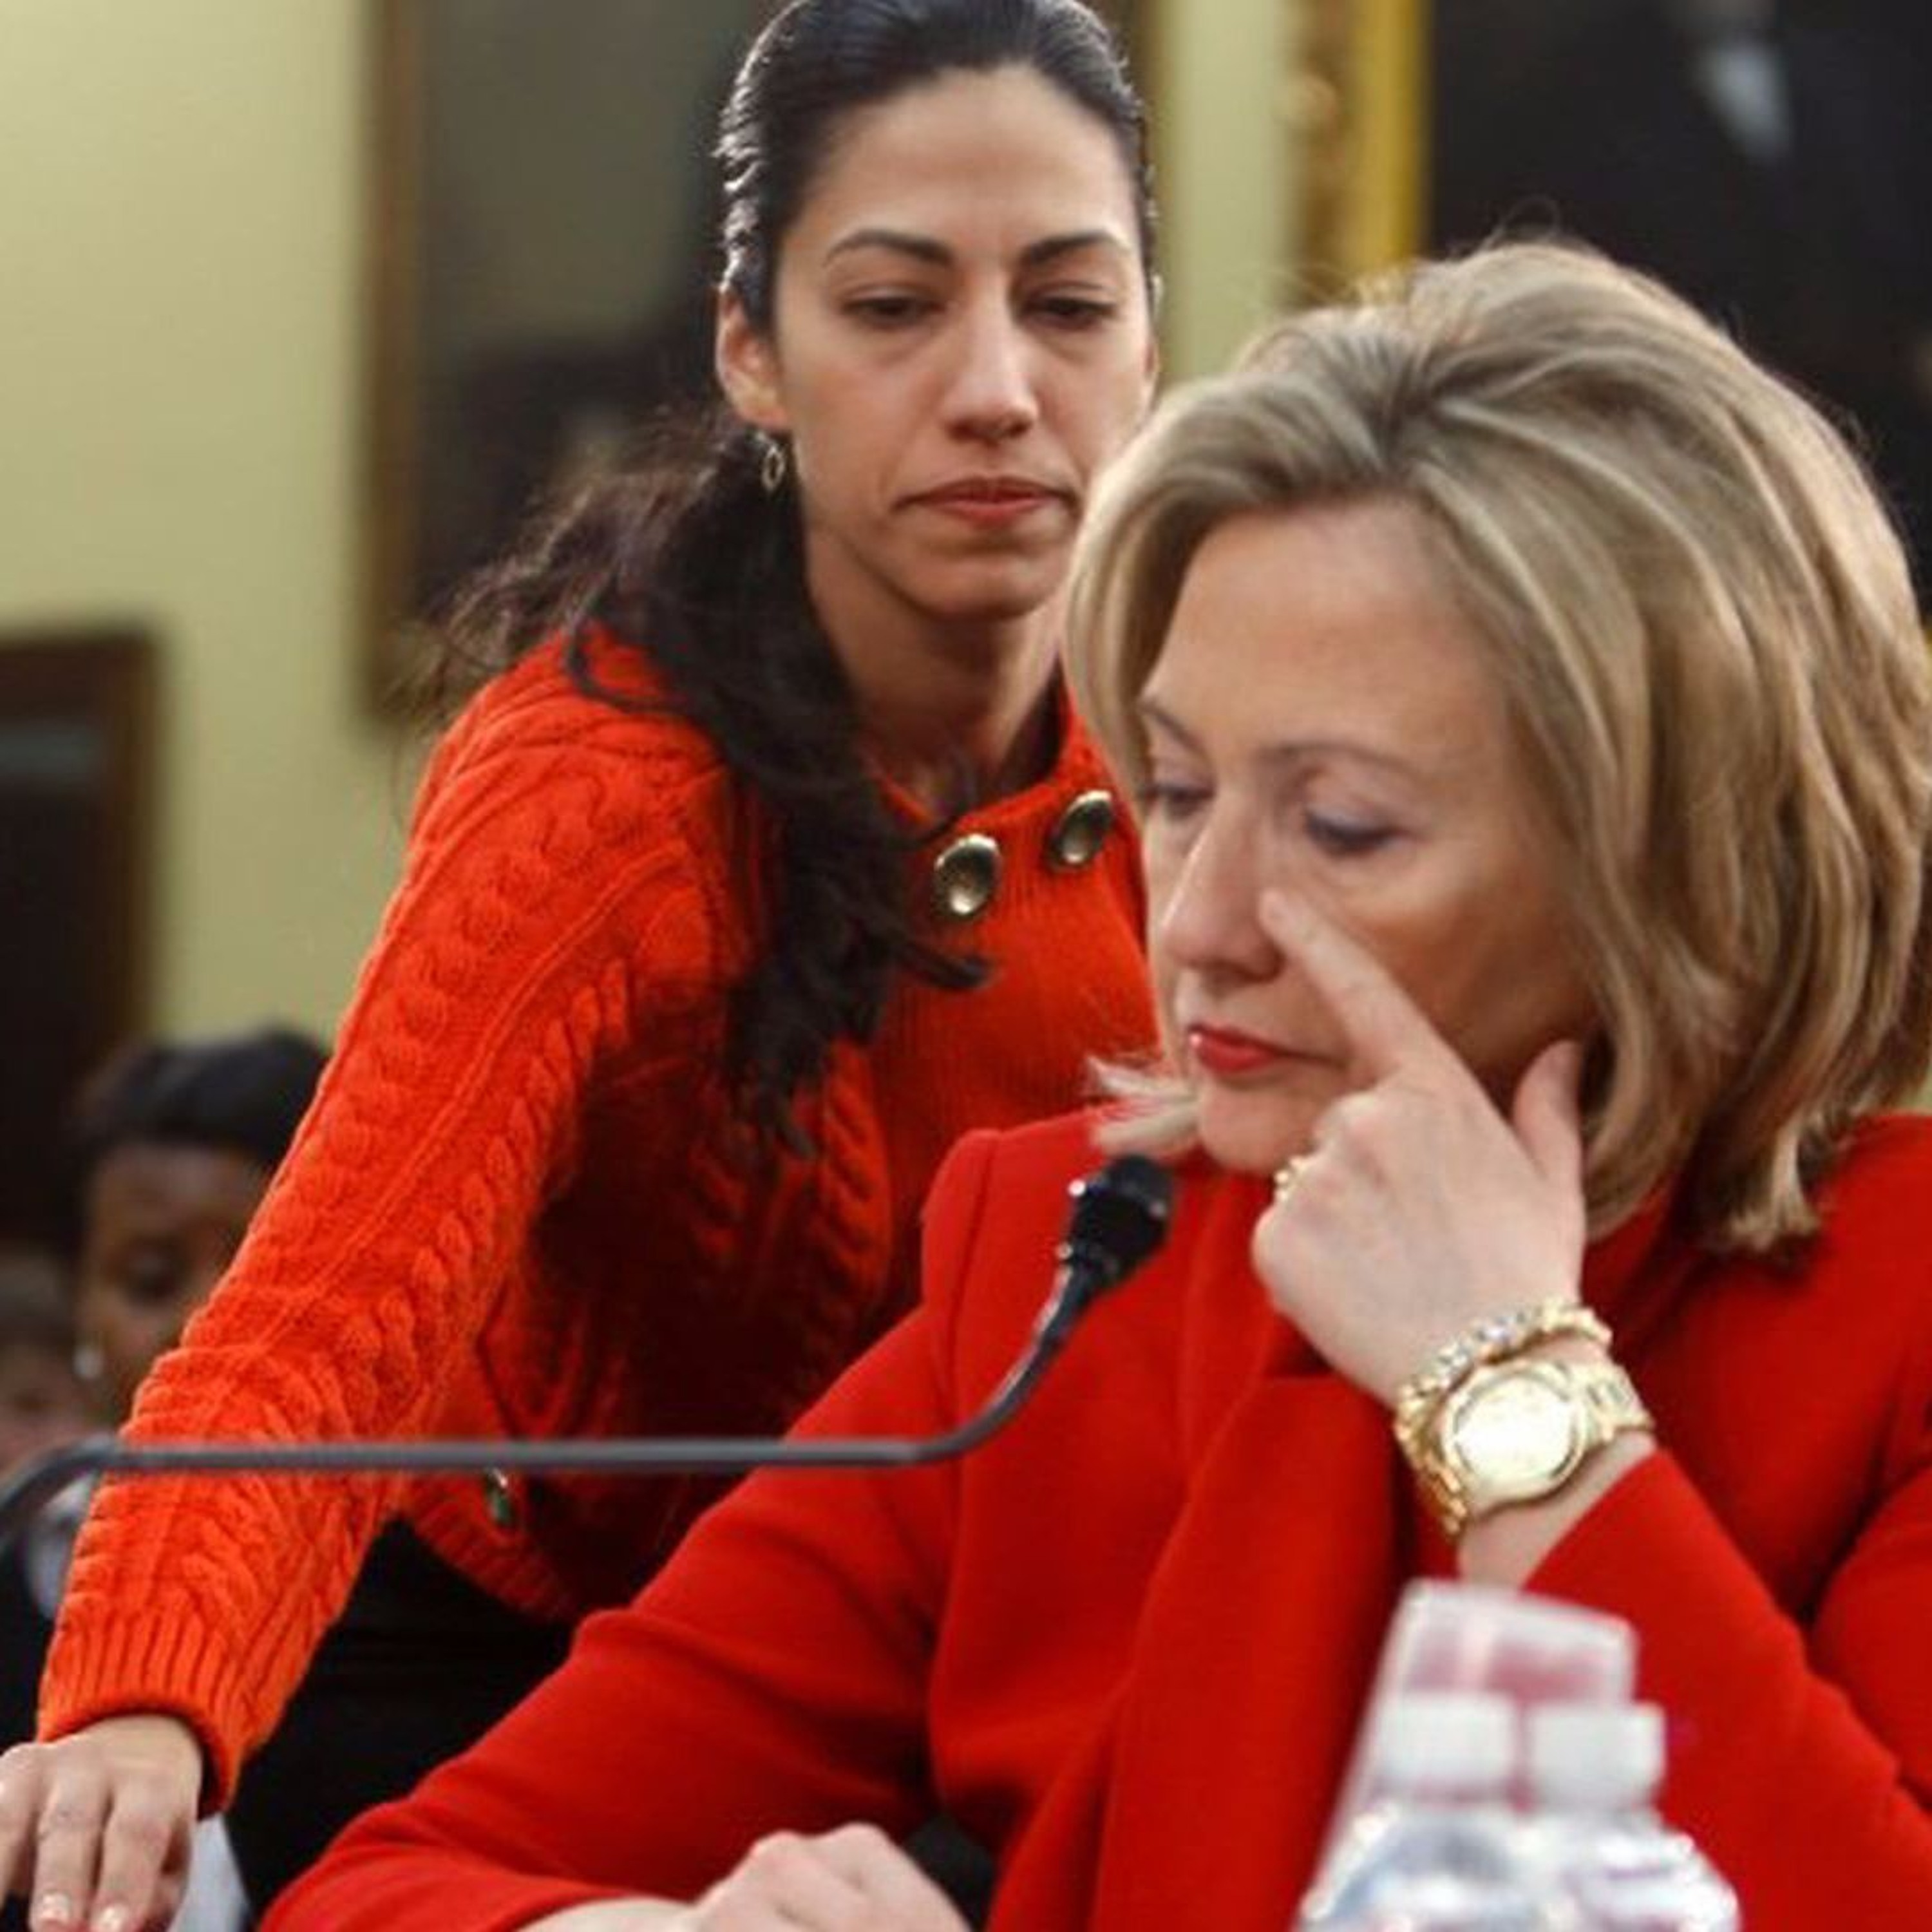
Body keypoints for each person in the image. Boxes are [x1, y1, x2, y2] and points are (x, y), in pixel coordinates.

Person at [263, 240, 1932, 1931]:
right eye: (1181, 792)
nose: (1194, 925)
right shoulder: (1068, 1265)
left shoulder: (1901, 1314)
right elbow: (375, 1894)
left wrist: (1504, 1392)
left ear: (1678, 863)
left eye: (1343, 827)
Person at [0, 3, 1160, 1926]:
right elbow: (329, 1309)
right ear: (750, 352)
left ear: (1148, 342)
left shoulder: (1210, 735)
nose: (995, 388)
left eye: (1069, 305)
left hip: (949, 1655)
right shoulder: (606, 784)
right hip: (503, 1655)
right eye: (892, 307)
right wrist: (137, 1700)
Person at [1, 1029, 327, 1932]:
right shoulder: (12, 1555)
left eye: (260, 1273)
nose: (206, 1319)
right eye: (150, 1278)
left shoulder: (442, 1591)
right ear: (79, 1309)